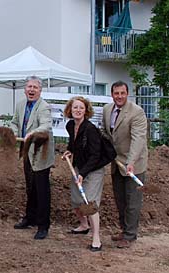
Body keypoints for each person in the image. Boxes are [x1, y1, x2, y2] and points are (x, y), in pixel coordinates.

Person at [102, 81, 148, 249]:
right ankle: (124, 230)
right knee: (120, 200)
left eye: (122, 93)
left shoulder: (136, 112)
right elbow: (105, 133)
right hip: (116, 162)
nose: (119, 96)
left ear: (127, 93)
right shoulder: (107, 110)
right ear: (112, 94)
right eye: (116, 93)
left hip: (134, 164)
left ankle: (130, 235)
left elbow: (138, 139)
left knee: (132, 201)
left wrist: (131, 162)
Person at [9, 76, 55, 240]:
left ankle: (43, 226)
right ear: (24, 89)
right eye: (29, 87)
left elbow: (46, 126)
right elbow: (15, 122)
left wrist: (32, 133)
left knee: (42, 191)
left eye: (35, 87)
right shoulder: (21, 105)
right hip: (27, 152)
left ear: (40, 90)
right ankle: (30, 218)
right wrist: (14, 132)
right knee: (30, 187)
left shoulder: (44, 107)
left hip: (40, 153)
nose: (31, 90)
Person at [62, 96, 106, 252]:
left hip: (94, 169)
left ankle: (96, 239)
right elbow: (74, 143)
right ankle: (84, 225)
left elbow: (95, 155)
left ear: (86, 111)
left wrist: (84, 173)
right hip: (79, 166)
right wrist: (69, 150)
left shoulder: (90, 129)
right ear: (70, 110)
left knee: (90, 203)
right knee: (76, 200)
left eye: (81, 108)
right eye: (75, 107)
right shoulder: (70, 125)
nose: (78, 110)